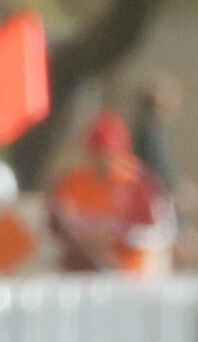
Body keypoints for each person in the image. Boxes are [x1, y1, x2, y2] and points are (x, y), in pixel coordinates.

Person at [48, 109, 175, 276]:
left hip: (131, 278)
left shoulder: (140, 183)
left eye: (107, 154)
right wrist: (82, 237)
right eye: (95, 153)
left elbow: (164, 232)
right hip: (82, 279)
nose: (101, 160)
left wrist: (121, 235)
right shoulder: (71, 183)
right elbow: (52, 230)